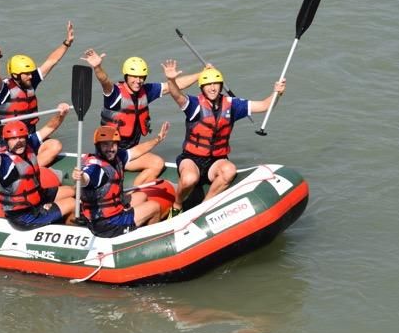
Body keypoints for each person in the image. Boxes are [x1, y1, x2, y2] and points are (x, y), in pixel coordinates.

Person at [163, 59, 286, 213]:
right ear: (202, 87)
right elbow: (177, 95)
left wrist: (277, 93)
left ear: (221, 86)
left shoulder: (232, 105)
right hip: (191, 158)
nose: (212, 88)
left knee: (229, 170)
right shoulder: (194, 105)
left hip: (216, 161)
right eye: (208, 85)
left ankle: (203, 208)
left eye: (216, 84)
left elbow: (264, 105)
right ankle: (177, 205)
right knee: (189, 179)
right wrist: (171, 79)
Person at [80, 49, 202, 185]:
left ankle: (133, 190)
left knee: (156, 163)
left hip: (131, 151)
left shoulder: (146, 91)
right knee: (157, 163)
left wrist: (201, 75)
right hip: (111, 153)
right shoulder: (114, 95)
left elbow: (173, 86)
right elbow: (104, 81)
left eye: (142, 77)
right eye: (134, 77)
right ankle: (129, 193)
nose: (138, 81)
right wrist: (97, 67)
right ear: (126, 76)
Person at [0, 20, 75, 167]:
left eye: (31, 73)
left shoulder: (30, 81)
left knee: (55, 145)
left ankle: (31, 169)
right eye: (26, 74)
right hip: (12, 139)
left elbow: (51, 61)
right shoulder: (3, 89)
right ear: (15, 75)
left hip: (31, 135)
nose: (30, 76)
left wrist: (67, 43)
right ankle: (22, 170)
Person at [0, 103, 77, 229]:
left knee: (73, 191)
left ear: (26, 137)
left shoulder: (28, 145)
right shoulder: (4, 161)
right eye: (13, 139)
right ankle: (70, 229)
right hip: (23, 216)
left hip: (37, 197)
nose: (18, 142)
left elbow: (49, 128)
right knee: (73, 203)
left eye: (21, 138)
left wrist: (61, 114)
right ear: (6, 141)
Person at [72, 123, 170, 237]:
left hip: (111, 212)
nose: (110, 148)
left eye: (113, 144)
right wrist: (80, 177)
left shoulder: (116, 157)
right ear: (98, 146)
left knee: (141, 196)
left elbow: (137, 151)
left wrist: (158, 139)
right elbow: (87, 179)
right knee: (154, 207)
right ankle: (149, 240)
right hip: (108, 224)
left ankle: (133, 225)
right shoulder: (96, 168)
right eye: (105, 145)